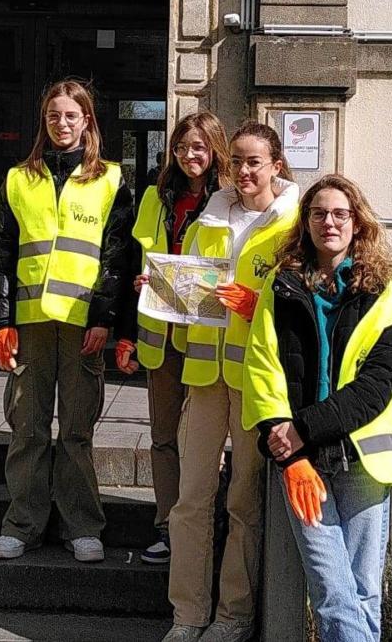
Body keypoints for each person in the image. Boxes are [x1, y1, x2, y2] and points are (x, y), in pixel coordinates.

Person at [242, 175, 392, 642]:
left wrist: (301, 429)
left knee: (364, 594)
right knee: (334, 594)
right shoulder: (281, 287)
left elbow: (375, 388)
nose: (329, 222)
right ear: (306, 222)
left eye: (340, 213)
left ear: (357, 223)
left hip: (361, 461)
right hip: (304, 464)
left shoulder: (383, 294)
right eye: (318, 213)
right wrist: (290, 451)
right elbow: (262, 367)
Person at [0, 79, 136, 562]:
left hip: (81, 325)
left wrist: (105, 319)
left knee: (76, 430)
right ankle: (22, 524)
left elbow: (117, 257)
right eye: (54, 115)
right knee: (27, 428)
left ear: (87, 121)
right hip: (29, 323)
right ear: (44, 120)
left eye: (71, 115)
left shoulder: (110, 179)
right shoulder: (17, 179)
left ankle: (82, 526)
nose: (62, 124)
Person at [163, 122, 300, 642]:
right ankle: (187, 615)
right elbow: (193, 296)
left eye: (254, 162)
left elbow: (302, 302)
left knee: (243, 500)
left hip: (255, 382)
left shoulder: (292, 225)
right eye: (237, 161)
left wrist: (257, 303)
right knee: (191, 499)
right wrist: (164, 289)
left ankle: (233, 617)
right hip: (204, 375)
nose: (244, 171)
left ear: (276, 166)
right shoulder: (209, 218)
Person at [116, 111, 231, 566]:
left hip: (207, 338)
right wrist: (134, 306)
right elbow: (136, 261)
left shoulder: (229, 200)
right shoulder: (156, 197)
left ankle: (200, 527)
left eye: (198, 147)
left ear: (215, 150)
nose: (189, 156)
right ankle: (166, 526)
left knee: (201, 443)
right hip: (160, 335)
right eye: (181, 148)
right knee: (163, 437)